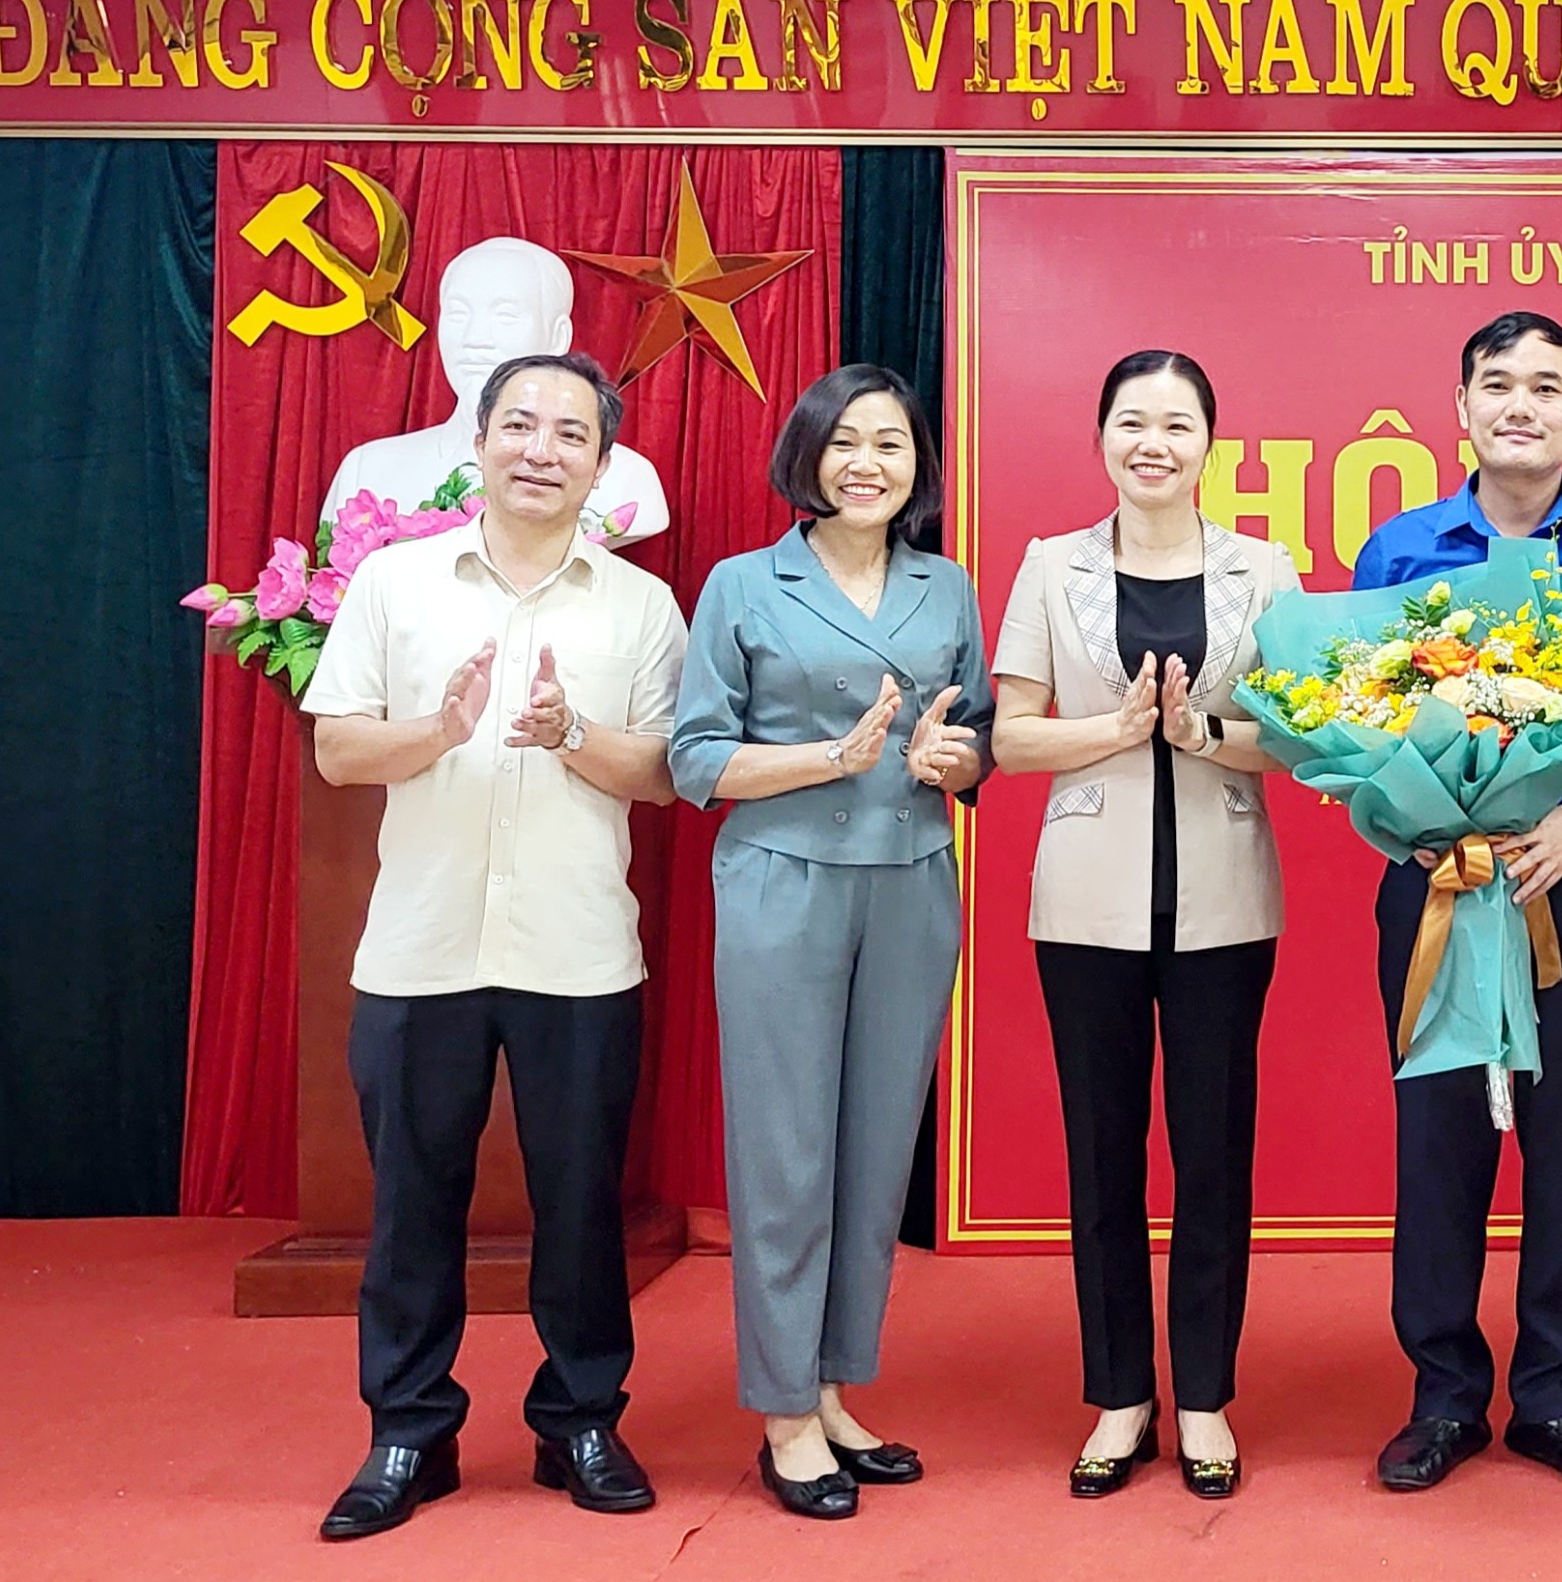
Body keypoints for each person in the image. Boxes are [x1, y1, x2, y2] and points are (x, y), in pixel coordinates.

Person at [305, 350, 688, 1540]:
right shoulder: (396, 581)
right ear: (478, 441)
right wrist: (440, 727)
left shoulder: (639, 606)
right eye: (520, 424)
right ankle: (408, 1429)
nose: (541, 450)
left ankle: (580, 1418)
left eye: (571, 434)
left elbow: (662, 773)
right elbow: (339, 749)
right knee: (413, 1202)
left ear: (602, 465)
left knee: (581, 1202)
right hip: (421, 949)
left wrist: (571, 731)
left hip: (578, 951)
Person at [1355, 312, 1562, 1493]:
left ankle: (1556, 1392)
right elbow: (1359, 702)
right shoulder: (1400, 547)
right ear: (1461, 408)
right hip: (1437, 880)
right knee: (1437, 1138)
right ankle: (1442, 1394)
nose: (1521, 405)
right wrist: (1421, 813)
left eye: (1546, 387)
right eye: (1498, 384)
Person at [668, 365, 993, 1522]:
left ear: (918, 467)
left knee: (874, 1149)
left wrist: (956, 759)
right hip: (781, 884)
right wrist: (827, 759)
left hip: (911, 886)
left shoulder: (946, 585)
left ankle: (835, 1387)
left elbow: (977, 736)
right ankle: (783, 1411)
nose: (868, 462)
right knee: (786, 1151)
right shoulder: (742, 583)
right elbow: (694, 756)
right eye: (845, 440)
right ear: (807, 456)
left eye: (891, 443)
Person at [991, 350, 1302, 1501]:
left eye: (1176, 423)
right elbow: (1009, 734)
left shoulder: (1265, 570)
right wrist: (1118, 731)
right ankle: (1122, 1394)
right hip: (1085, 900)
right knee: (1102, 1152)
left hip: (1224, 895)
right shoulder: (1049, 564)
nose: (1152, 442)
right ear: (1101, 437)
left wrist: (1201, 734)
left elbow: (1300, 736)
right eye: (1131, 421)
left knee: (1213, 1153)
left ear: (1210, 441)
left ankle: (1206, 1393)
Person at [326, 237, 670, 544]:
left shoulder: (625, 479)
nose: (475, 337)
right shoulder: (367, 470)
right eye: (458, 314)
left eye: (505, 316)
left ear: (558, 337)